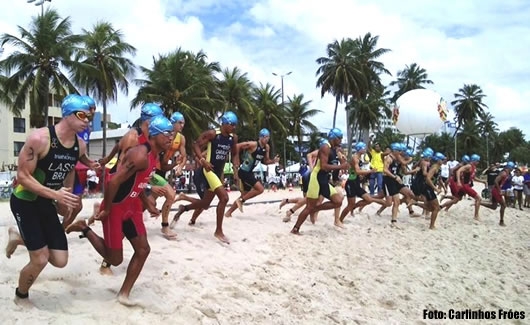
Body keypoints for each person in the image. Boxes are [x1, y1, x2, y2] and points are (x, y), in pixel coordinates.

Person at [66, 115, 174, 306]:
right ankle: (84, 228)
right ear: (155, 135)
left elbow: (136, 183)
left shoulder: (155, 155)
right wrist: (106, 208)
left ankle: (123, 294)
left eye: (172, 134)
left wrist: (148, 204)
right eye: (167, 134)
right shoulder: (140, 154)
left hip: (132, 207)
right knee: (114, 259)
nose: (171, 138)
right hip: (116, 207)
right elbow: (114, 180)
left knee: (143, 250)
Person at [6, 94, 92, 302]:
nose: (87, 121)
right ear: (67, 114)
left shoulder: (79, 145)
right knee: (40, 259)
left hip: (46, 201)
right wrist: (55, 195)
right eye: (82, 116)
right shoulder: (39, 138)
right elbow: (23, 177)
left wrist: (67, 197)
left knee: (60, 260)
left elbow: (69, 170)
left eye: (89, 117)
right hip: (25, 200)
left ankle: (19, 237)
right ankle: (21, 295)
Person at [170, 111, 240, 244]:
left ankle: (183, 209)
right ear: (224, 123)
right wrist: (202, 160)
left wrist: (236, 169)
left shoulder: (233, 138)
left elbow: (235, 153)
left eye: (235, 125)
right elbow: (196, 144)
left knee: (205, 204)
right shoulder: (213, 134)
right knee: (224, 198)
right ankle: (218, 231)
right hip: (208, 170)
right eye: (232, 124)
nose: (234, 127)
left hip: (218, 172)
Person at [291, 128, 348, 234]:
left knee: (338, 201)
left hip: (323, 179)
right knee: (309, 207)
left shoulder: (334, 149)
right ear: (334, 138)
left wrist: (342, 160)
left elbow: (343, 166)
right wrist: (341, 165)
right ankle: (295, 229)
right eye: (340, 138)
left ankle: (316, 209)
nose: (341, 140)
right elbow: (324, 166)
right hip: (316, 179)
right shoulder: (325, 147)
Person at [224, 128, 279, 218]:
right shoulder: (253, 144)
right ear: (260, 137)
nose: (267, 139)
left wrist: (273, 161)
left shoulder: (267, 147)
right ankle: (241, 201)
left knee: (244, 195)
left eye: (268, 137)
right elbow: (237, 146)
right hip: (243, 171)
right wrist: (236, 162)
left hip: (250, 172)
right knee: (260, 189)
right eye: (265, 137)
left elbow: (265, 161)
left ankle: (229, 212)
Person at [338, 141, 387, 224]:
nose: (365, 149)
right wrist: (370, 171)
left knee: (369, 200)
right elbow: (357, 171)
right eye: (363, 148)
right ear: (359, 149)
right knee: (349, 206)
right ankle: (339, 220)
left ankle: (354, 207)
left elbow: (354, 171)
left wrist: (360, 174)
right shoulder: (355, 158)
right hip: (351, 184)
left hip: (356, 183)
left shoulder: (359, 158)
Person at [480, 162, 515, 226]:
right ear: (510, 167)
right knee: (503, 205)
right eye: (512, 168)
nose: (512, 169)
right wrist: (499, 190)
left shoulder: (507, 173)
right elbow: (496, 181)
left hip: (496, 190)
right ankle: (501, 221)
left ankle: (479, 203)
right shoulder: (504, 173)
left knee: (494, 206)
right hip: (496, 190)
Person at [455, 154, 483, 221]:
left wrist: (482, 181)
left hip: (466, 185)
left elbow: (473, 178)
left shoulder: (473, 167)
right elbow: (458, 171)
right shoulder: (469, 166)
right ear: (474, 161)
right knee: (478, 198)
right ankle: (476, 216)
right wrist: (458, 181)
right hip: (465, 186)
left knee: (456, 199)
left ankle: (443, 206)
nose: (478, 162)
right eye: (478, 161)